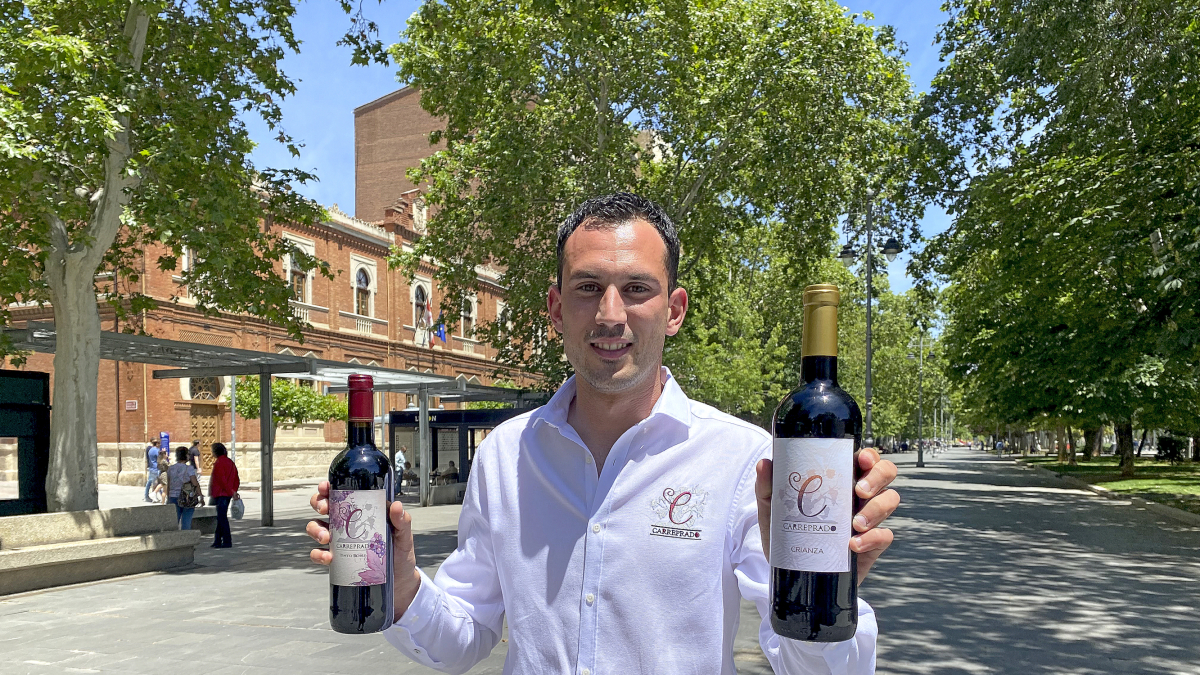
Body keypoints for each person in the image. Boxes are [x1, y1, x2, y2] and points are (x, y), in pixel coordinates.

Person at [306, 193, 899, 674]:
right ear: (556, 310)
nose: (611, 314)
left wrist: (832, 590)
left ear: (674, 310)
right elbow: (463, 639)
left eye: (637, 289)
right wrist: (403, 584)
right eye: (588, 287)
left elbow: (819, 669)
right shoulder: (504, 456)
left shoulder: (746, 462)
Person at [208, 442, 240, 548]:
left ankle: (226, 541)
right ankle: (217, 540)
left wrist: (231, 491)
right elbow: (236, 479)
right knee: (221, 517)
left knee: (222, 518)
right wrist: (233, 491)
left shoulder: (219, 463)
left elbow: (221, 480)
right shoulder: (230, 462)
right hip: (227, 493)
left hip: (221, 493)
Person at [167, 446, 202, 530]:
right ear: (186, 456)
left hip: (173, 496)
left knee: (174, 521)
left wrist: (168, 497)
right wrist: (200, 495)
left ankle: (173, 536)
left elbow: (168, 484)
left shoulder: (171, 468)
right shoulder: (189, 468)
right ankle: (186, 535)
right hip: (187, 497)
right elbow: (195, 483)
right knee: (186, 520)